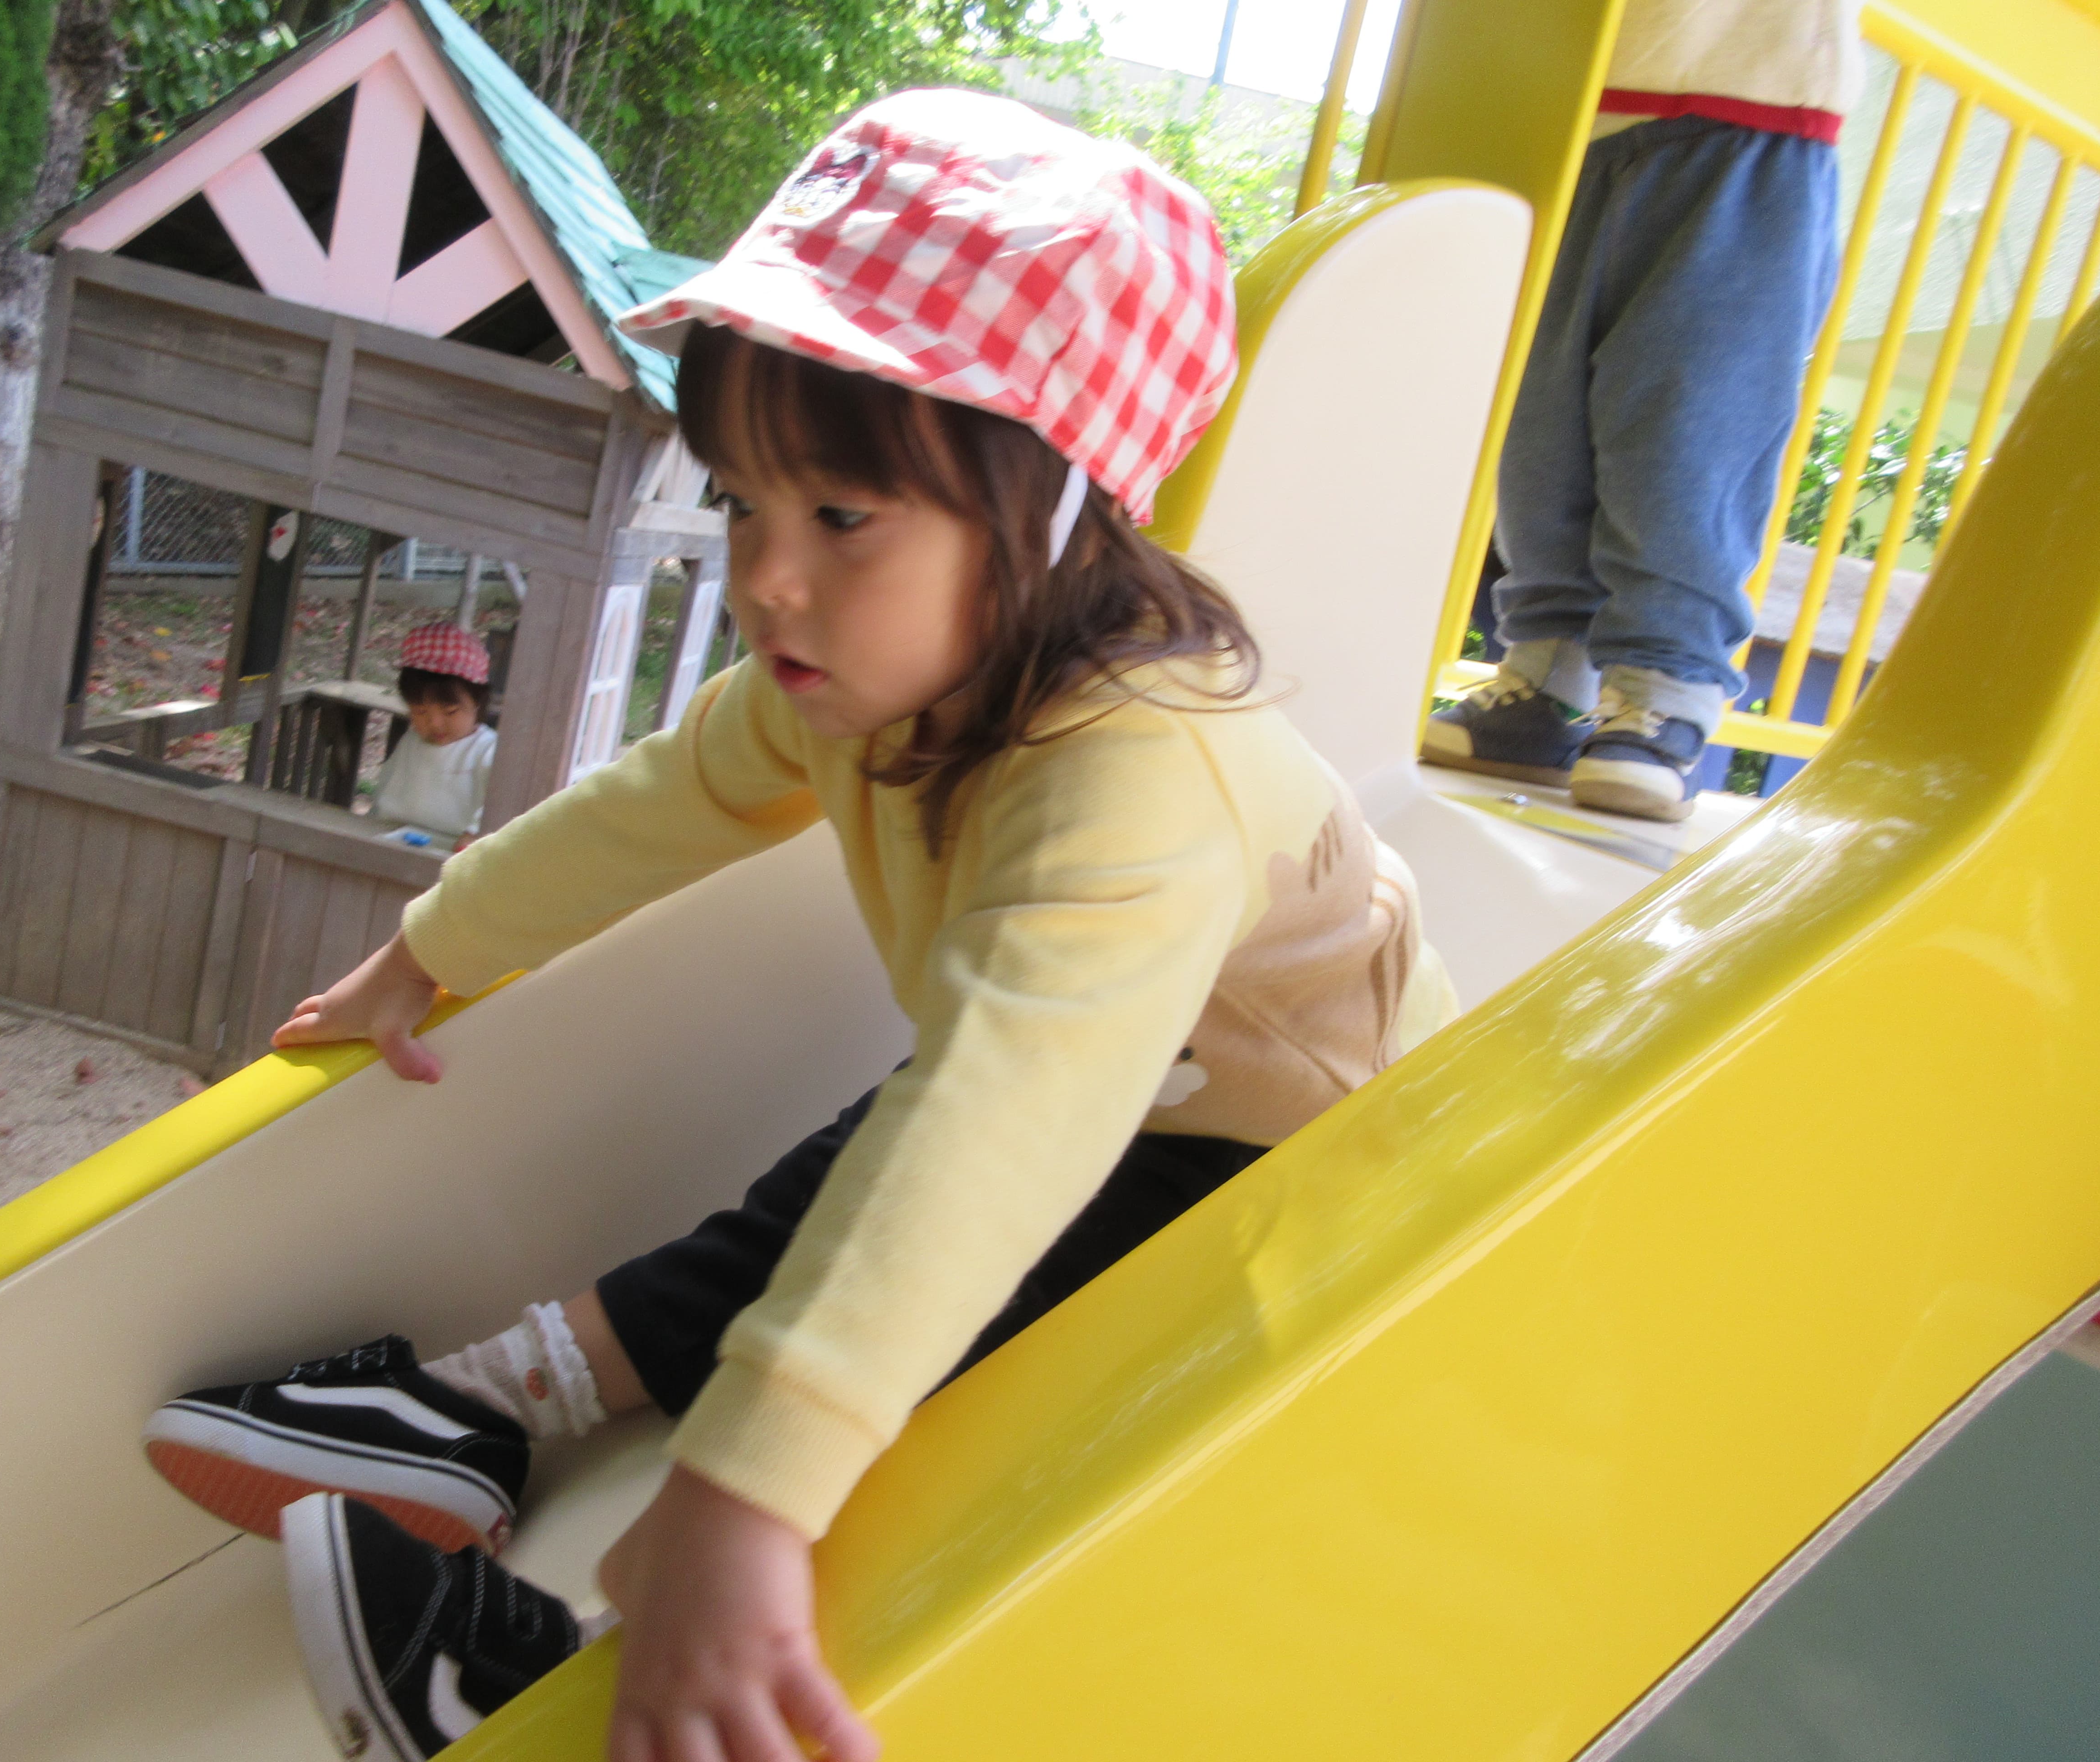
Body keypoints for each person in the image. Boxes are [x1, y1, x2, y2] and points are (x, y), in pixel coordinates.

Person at [138, 89, 1458, 1762]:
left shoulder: (1144, 776)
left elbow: (1000, 1131)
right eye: (744, 502)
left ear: (1054, 508)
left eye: (841, 516)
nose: (767, 574)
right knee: (828, 1198)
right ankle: (478, 1411)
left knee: (944, 1354)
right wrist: (434, 947)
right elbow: (662, 801)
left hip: (1302, 1173)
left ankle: (539, 1680)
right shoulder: (857, 681)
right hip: (1106, 1080)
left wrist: (743, 1492)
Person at [1422, 0, 1862, 820]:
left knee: (1688, 424)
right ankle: (1547, 674)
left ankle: (1665, 685)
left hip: (1746, 93)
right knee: (1539, 428)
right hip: (1564, 107)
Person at [371, 622, 499, 840]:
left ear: (478, 702)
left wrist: (475, 833)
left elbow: (497, 803)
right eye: (421, 712)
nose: (435, 724)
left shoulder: (487, 749)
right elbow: (386, 788)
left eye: (450, 712)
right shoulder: (411, 742)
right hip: (394, 837)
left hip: (454, 848)